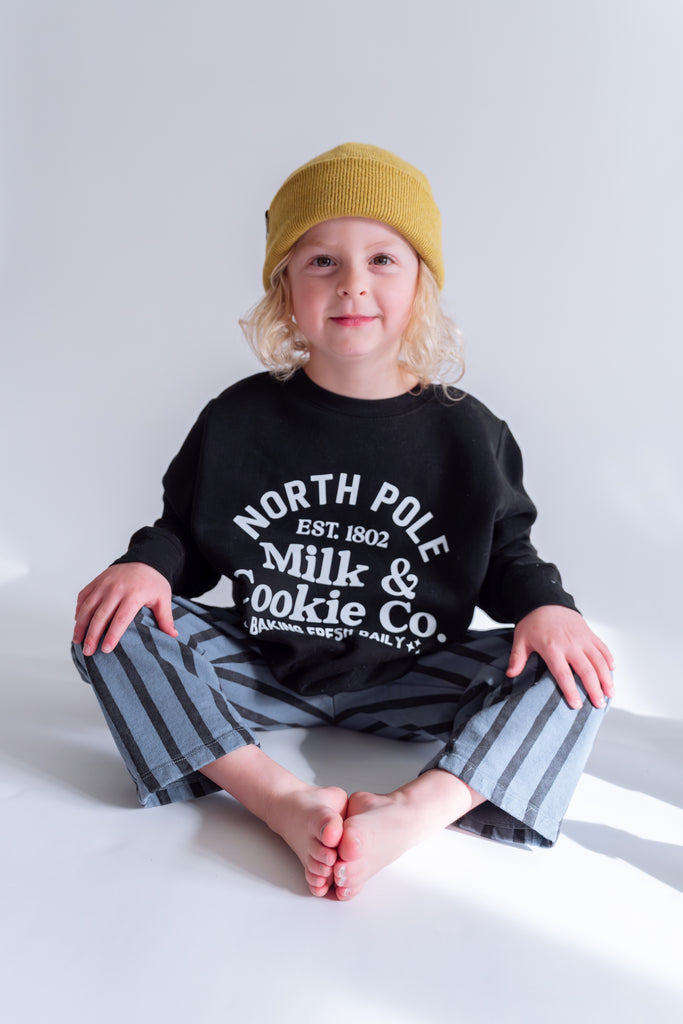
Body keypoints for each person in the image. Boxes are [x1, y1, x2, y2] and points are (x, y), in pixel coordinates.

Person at [72, 142, 615, 901]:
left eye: (382, 260)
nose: (352, 283)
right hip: (261, 665)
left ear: (421, 281)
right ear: (285, 288)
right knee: (111, 623)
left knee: (575, 670)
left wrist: (547, 606)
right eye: (321, 261)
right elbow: (186, 534)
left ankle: (419, 808)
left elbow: (505, 555)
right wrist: (146, 564)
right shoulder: (239, 418)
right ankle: (274, 797)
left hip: (415, 673)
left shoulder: (468, 432)